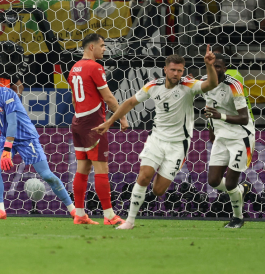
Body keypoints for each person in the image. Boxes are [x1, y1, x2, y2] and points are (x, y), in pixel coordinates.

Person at [92, 46, 218, 229]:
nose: (176, 74)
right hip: (156, 139)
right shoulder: (153, 86)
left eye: (179, 70)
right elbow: (130, 102)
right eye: (173, 70)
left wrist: (209, 66)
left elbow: (211, 84)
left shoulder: (188, 86)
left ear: (183, 71)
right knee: (143, 176)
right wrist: (110, 122)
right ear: (165, 69)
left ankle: (144, 197)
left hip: (178, 145)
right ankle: (130, 221)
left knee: (158, 190)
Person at [0, 66, 75, 220]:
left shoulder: (7, 94)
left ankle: (74, 210)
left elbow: (12, 123)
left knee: (47, 175)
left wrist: (7, 150)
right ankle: (0, 210)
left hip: (26, 137)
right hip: (7, 137)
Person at [68, 33, 129, 225]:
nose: (105, 49)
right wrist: (122, 117)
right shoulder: (95, 67)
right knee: (101, 168)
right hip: (93, 123)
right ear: (91, 47)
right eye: (102, 45)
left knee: (82, 169)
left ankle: (79, 214)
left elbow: (73, 99)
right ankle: (109, 216)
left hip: (78, 121)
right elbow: (109, 98)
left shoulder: (74, 68)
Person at [203, 53, 255, 228]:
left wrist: (220, 116)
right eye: (213, 66)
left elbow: (244, 118)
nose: (215, 69)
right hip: (221, 136)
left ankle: (238, 218)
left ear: (225, 69)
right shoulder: (205, 83)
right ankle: (242, 190)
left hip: (241, 136)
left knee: (231, 182)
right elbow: (209, 107)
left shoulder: (234, 85)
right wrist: (211, 129)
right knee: (213, 181)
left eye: (219, 66)